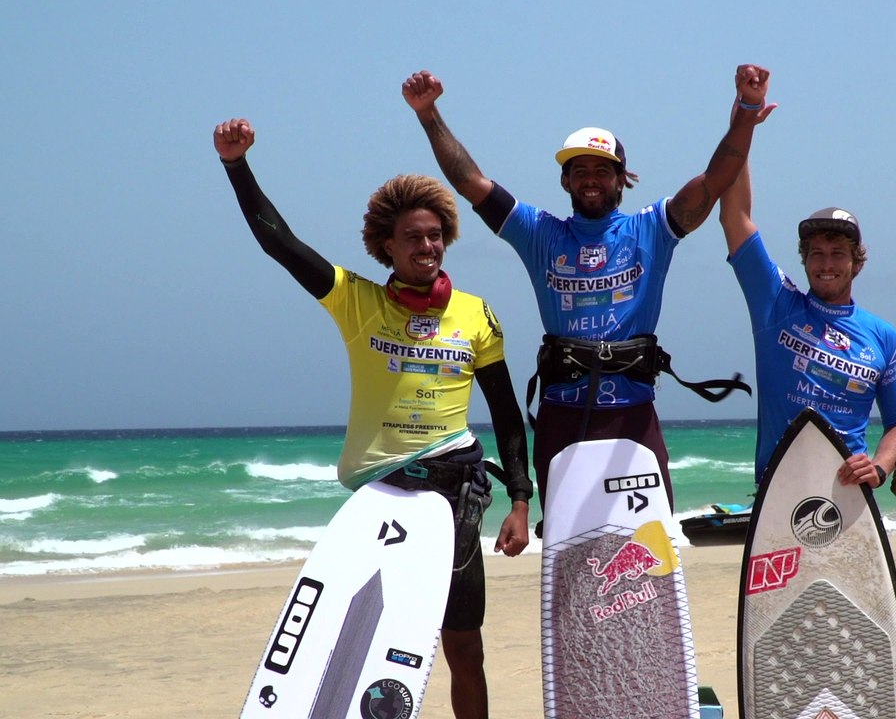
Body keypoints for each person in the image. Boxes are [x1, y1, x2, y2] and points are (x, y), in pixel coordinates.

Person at [213, 118, 533, 719]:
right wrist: (237, 166)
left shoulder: (476, 315)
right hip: (380, 497)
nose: (427, 247)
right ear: (386, 244)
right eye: (413, 237)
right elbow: (280, 243)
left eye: (436, 235)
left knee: (464, 647)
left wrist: (520, 499)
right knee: (357, 640)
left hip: (457, 494)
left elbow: (507, 415)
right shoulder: (356, 300)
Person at [400, 65, 771, 526]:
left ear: (622, 178)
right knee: (568, 555)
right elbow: (470, 182)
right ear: (566, 181)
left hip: (632, 415)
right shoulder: (540, 234)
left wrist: (747, 112)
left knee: (651, 548)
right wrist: (428, 113)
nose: (590, 179)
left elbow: (716, 180)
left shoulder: (651, 229)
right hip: (563, 419)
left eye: (602, 169)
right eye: (580, 171)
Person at [718, 157, 896, 489]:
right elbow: (734, 217)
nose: (827, 264)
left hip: (848, 494)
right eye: (816, 253)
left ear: (856, 264)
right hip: (779, 493)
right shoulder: (777, 305)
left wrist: (880, 468)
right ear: (805, 260)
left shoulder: (883, 336)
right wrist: (745, 122)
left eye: (838, 253)